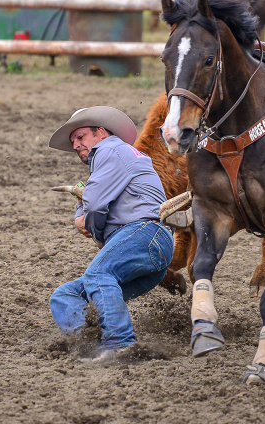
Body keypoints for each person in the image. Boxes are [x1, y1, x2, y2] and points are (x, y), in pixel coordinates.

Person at [47, 106, 174, 362]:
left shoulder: (109, 149)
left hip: (143, 233)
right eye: (73, 141)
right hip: (149, 243)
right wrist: (84, 215)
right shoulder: (116, 158)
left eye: (80, 137)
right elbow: (93, 200)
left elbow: (93, 205)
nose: (75, 145)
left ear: (101, 133)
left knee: (98, 275)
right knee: (66, 295)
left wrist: (87, 224)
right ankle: (89, 345)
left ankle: (119, 345)